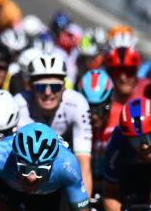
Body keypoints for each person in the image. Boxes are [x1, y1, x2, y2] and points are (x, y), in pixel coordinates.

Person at [13, 52, 93, 196]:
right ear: (30, 87)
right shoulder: (18, 105)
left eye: (55, 87)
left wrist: (84, 207)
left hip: (63, 174)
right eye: (40, 87)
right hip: (26, 177)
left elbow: (83, 162)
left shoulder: (77, 103)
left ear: (64, 87)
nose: (48, 93)